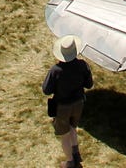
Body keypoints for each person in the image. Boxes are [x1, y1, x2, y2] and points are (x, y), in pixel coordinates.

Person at [44, 35, 94, 168]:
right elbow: (89, 84)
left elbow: (46, 90)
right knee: (73, 127)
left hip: (62, 107)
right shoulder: (83, 65)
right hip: (79, 103)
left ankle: (70, 161)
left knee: (64, 134)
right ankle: (76, 153)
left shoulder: (56, 71)